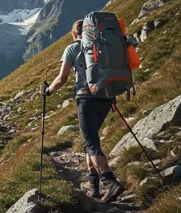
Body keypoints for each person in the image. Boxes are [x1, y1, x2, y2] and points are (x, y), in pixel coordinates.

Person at [40, 19, 125, 201]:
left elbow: (61, 79)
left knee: (91, 143)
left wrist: (47, 91)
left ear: (73, 34)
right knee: (91, 140)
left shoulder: (72, 48)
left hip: (86, 97)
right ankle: (93, 184)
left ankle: (110, 181)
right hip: (106, 96)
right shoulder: (101, 44)